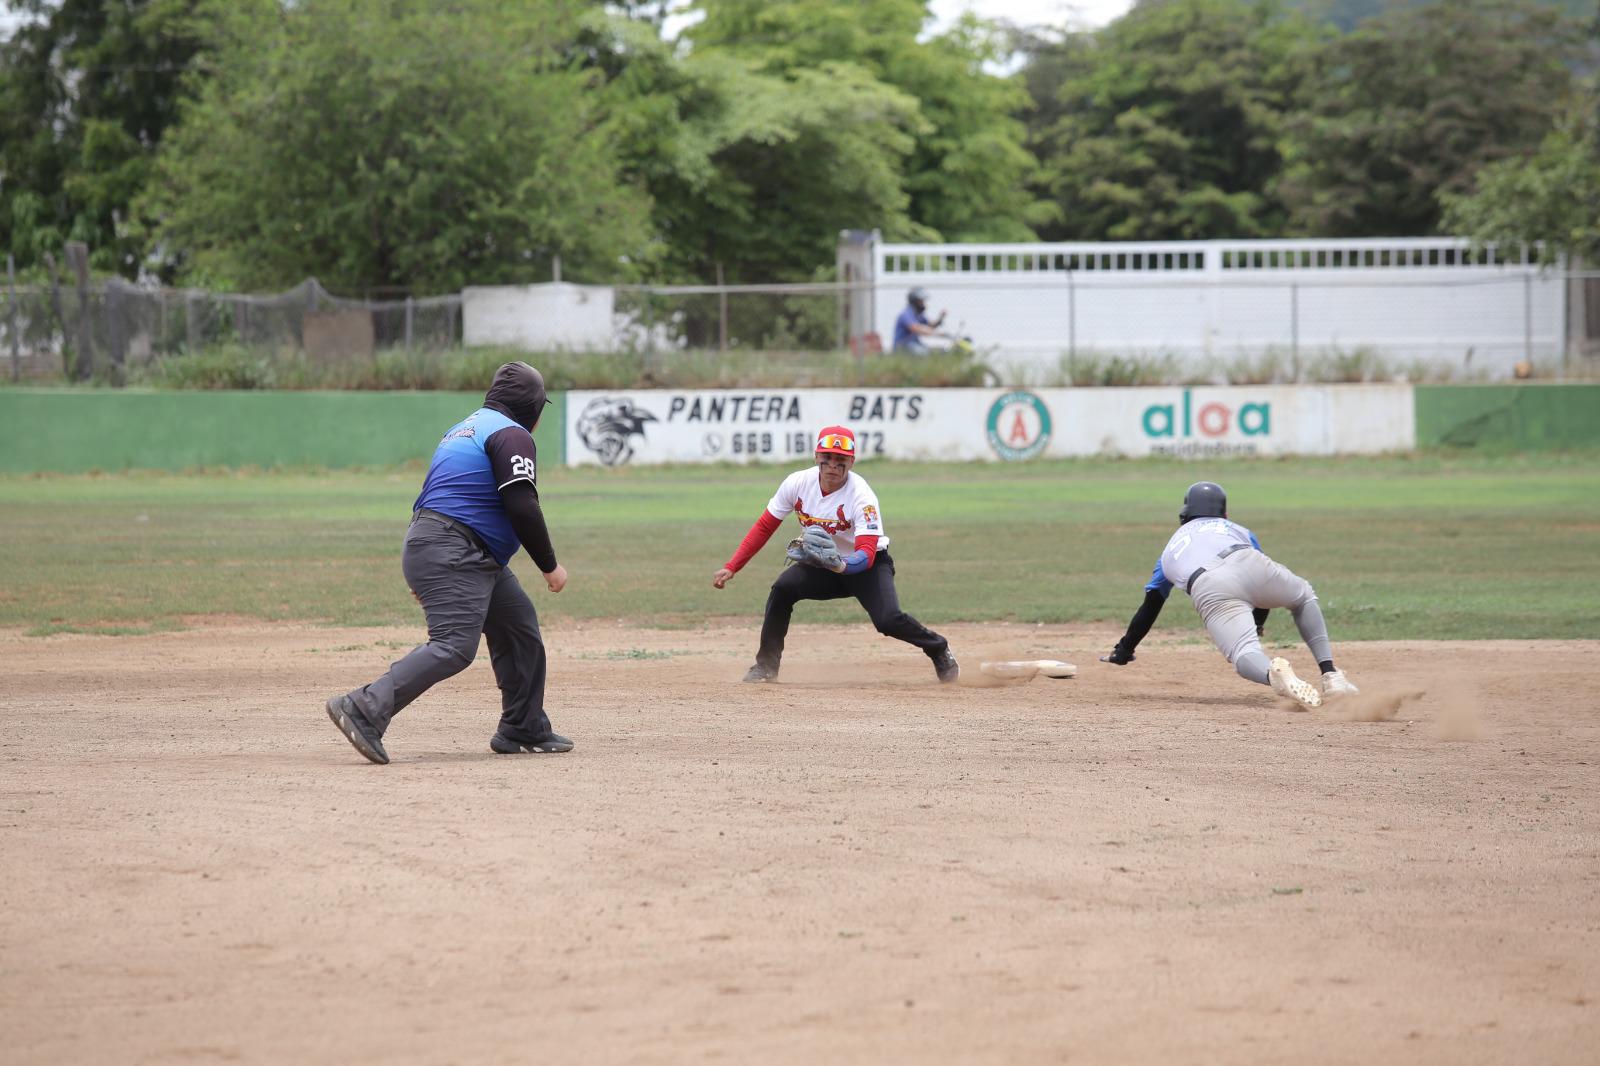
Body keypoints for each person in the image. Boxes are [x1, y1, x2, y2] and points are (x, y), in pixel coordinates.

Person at [324, 362, 572, 763]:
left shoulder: (467, 427)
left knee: (518, 627)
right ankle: (364, 707)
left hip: (450, 546)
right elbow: (522, 504)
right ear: (531, 407)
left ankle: (523, 725)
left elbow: (436, 493)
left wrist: (425, 560)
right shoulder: (512, 435)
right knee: (454, 646)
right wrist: (550, 566)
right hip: (457, 550)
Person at [712, 425, 959, 685]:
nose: (832, 465)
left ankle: (937, 647)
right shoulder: (797, 483)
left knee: (887, 620)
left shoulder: (862, 497)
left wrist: (842, 565)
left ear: (851, 461)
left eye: (840, 460)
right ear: (816, 457)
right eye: (826, 457)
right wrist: (733, 566)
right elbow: (764, 526)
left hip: (867, 567)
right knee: (783, 589)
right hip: (821, 564)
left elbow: (866, 552)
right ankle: (766, 667)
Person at [1097, 481, 1358, 710]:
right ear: (1225, 513)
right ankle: (1331, 675)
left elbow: (1151, 605)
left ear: (1184, 515)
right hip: (1244, 557)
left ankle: (1272, 674)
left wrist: (1124, 649)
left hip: (1208, 584)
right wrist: (1257, 623)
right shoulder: (1237, 529)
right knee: (1303, 596)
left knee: (1244, 654)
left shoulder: (1172, 547)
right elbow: (1260, 587)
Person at [891, 286, 946, 354]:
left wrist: (940, 318)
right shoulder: (906, 314)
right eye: (921, 301)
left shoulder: (918, 315)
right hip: (902, 347)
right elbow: (916, 328)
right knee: (925, 353)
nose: (923, 304)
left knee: (939, 351)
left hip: (914, 344)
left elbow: (930, 326)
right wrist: (937, 334)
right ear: (914, 301)